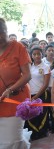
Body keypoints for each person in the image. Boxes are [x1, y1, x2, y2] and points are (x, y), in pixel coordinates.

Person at [0, 18, 32, 148]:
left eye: (2, 32)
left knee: (12, 141)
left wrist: (10, 90)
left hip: (15, 100)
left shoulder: (17, 47)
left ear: (7, 31)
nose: (0, 37)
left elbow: (27, 75)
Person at [25, 47, 51, 140]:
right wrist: (29, 96)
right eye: (34, 54)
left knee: (41, 115)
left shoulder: (45, 67)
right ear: (31, 55)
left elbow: (45, 84)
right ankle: (33, 134)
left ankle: (42, 134)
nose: (37, 56)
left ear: (42, 54)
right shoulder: (29, 66)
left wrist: (36, 96)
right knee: (31, 115)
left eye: (38, 54)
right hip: (29, 95)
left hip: (41, 94)